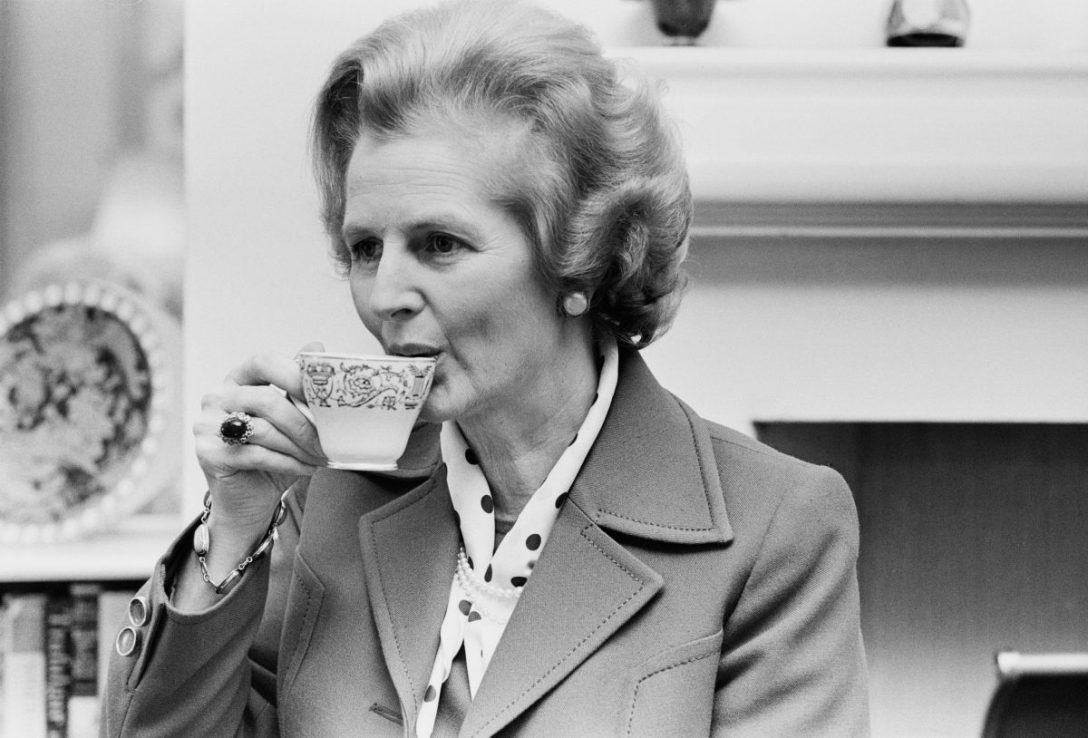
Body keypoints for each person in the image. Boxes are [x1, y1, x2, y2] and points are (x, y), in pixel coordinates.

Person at [103, 1, 870, 735]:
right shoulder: (322, 502)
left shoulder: (776, 527)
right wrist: (233, 526)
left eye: (440, 244)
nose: (385, 296)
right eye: (367, 248)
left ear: (580, 260)